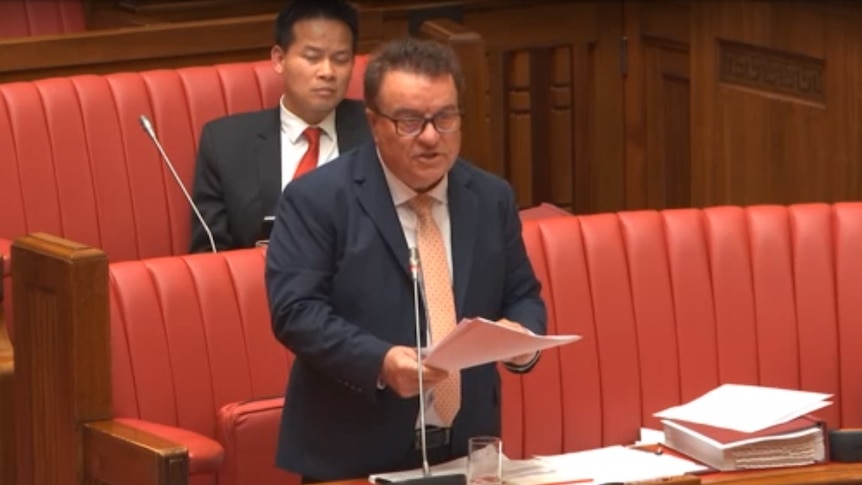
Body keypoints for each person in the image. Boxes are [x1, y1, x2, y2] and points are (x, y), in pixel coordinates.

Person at [265, 36, 547, 482]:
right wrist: (378, 361)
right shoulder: (316, 200)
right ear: (374, 123)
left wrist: (521, 340)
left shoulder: (490, 197)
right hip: (354, 452)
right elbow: (296, 313)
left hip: (467, 449)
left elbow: (522, 295)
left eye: (445, 118)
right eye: (411, 121)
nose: (432, 137)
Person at [189, 0, 371, 253]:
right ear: (278, 59)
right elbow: (209, 255)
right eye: (312, 57)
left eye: (340, 59)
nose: (327, 72)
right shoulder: (225, 144)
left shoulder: (379, 130)